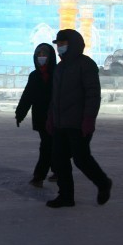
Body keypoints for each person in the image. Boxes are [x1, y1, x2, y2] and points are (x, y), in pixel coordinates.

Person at [45, 29, 112, 208]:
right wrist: (51, 117)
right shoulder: (60, 68)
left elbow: (92, 94)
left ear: (72, 44)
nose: (59, 48)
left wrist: (89, 118)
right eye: (58, 45)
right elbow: (55, 96)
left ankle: (103, 183)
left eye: (62, 44)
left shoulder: (85, 64)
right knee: (59, 160)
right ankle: (66, 196)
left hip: (78, 123)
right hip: (60, 123)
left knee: (81, 159)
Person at [15, 43, 57, 188]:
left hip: (56, 116)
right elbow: (28, 96)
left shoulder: (58, 73)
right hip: (41, 117)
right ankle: (53, 171)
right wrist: (20, 113)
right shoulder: (34, 76)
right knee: (49, 144)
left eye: (44, 54)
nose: (41, 57)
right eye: (39, 55)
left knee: (49, 145)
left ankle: (40, 175)